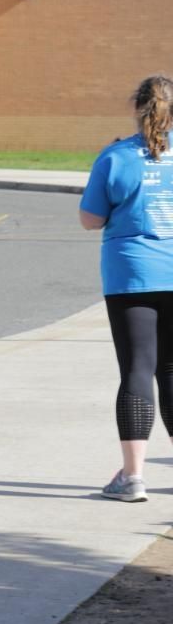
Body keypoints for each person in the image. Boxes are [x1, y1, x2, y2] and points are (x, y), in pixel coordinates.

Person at [80, 75, 173, 503]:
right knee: (171, 372)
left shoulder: (116, 156)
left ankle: (133, 476)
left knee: (137, 368)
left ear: (137, 108)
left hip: (132, 275)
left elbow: (90, 219)